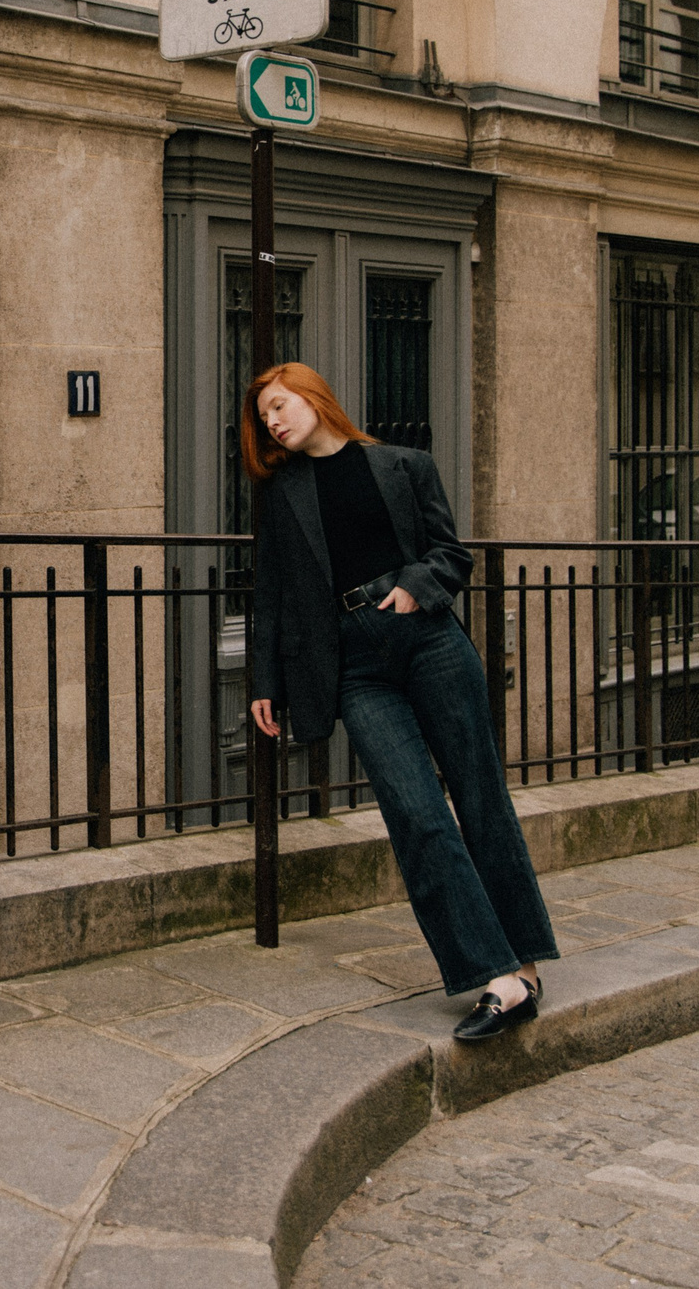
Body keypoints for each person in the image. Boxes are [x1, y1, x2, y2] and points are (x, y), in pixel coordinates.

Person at [244, 361, 557, 1041]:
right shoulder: (280, 493)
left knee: (480, 798)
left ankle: (524, 968)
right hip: (352, 665)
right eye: (264, 415)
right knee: (416, 814)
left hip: (427, 639)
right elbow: (270, 595)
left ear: (312, 395)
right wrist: (264, 681)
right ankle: (494, 976)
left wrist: (417, 584)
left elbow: (451, 550)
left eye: (278, 404)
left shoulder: (403, 466)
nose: (272, 420)